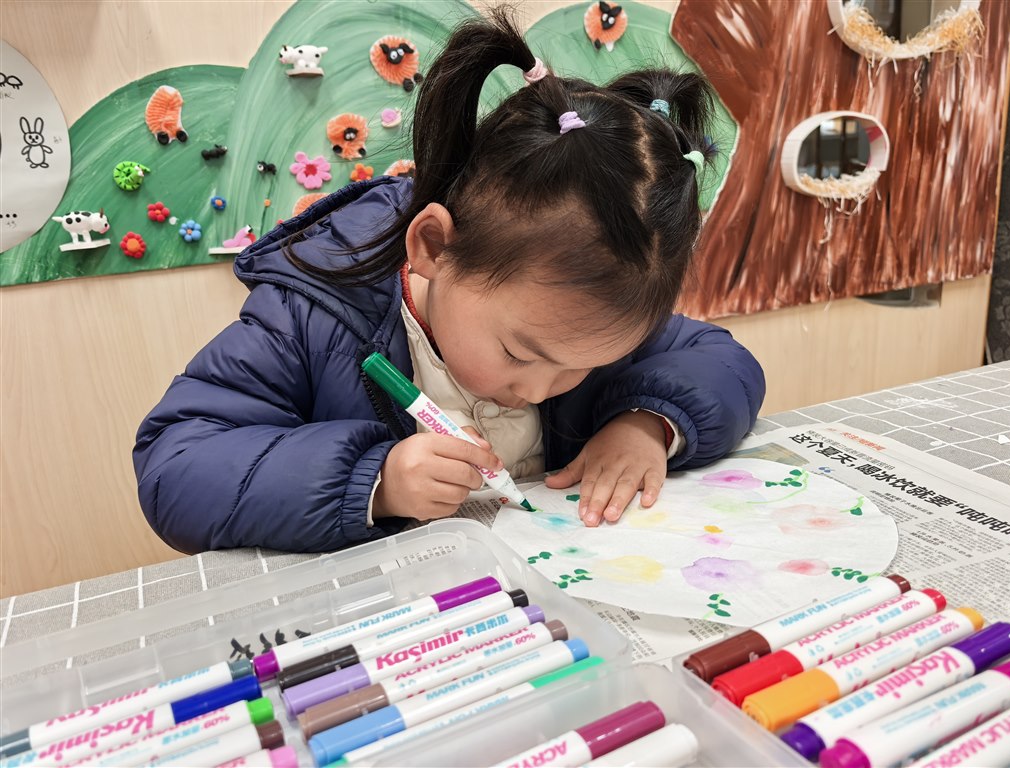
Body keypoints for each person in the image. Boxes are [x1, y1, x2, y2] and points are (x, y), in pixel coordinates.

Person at [133, 10, 766, 555]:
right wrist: (375, 481)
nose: (538, 391)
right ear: (434, 247)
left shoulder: (588, 317)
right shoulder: (312, 314)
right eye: (520, 354)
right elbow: (175, 465)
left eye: (585, 367)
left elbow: (722, 361)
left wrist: (647, 423)